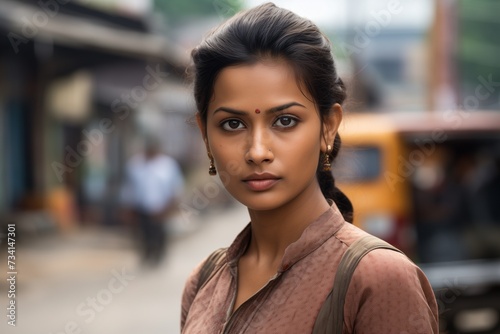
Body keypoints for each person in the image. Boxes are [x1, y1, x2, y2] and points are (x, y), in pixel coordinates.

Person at [181, 3, 438, 333]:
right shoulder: (203, 282)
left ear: (328, 127)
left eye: (285, 121)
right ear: (205, 135)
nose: (257, 152)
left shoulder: (378, 278)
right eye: (232, 124)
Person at [121, 135, 184, 266]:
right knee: (143, 233)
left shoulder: (168, 165)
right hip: (141, 207)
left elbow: (176, 187)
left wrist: (171, 208)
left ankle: (159, 256)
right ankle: (146, 255)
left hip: (161, 208)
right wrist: (127, 208)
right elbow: (128, 188)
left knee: (159, 233)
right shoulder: (135, 164)